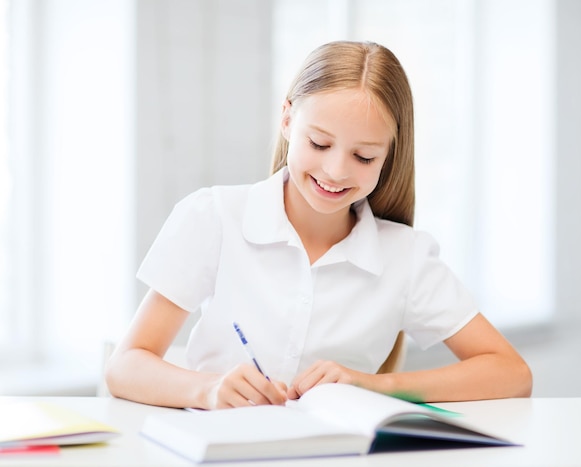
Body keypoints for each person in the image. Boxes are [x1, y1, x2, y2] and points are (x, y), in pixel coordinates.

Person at [105, 40, 532, 410]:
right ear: (288, 119)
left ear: (389, 156)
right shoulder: (215, 217)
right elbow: (125, 366)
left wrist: (375, 387)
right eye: (319, 143)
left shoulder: (406, 256)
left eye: (363, 157)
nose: (335, 171)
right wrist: (208, 390)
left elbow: (512, 374)